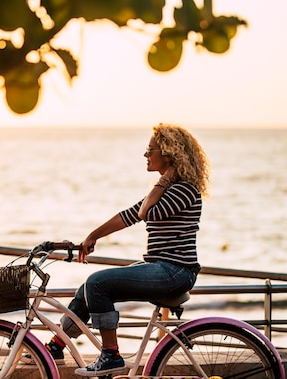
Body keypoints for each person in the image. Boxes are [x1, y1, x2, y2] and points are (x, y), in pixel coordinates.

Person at [33, 123, 210, 377]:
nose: (146, 155)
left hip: (174, 271)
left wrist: (164, 179)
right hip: (161, 267)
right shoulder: (168, 190)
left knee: (98, 284)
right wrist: (92, 236)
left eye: (151, 150)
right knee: (87, 289)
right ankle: (56, 347)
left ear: (170, 154)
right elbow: (129, 215)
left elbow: (145, 212)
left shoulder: (183, 190)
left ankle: (110, 356)